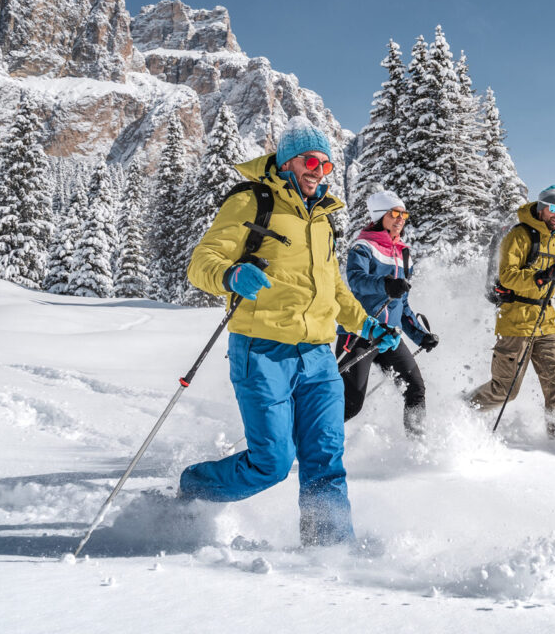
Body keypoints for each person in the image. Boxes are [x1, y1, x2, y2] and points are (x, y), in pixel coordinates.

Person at [178, 116, 400, 547]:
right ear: (286, 163)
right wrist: (230, 274)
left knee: (325, 460)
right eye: (310, 161)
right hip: (262, 350)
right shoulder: (252, 203)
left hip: (318, 356)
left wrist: (369, 325)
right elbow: (200, 263)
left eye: (325, 164)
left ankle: (329, 550)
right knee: (272, 463)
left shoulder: (323, 220)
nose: (318, 171)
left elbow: (335, 290)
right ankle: (195, 487)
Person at [468, 185, 555, 438]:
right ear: (540, 207)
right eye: (553, 208)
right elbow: (507, 276)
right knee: (505, 390)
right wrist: (541, 277)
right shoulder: (519, 235)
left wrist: (550, 276)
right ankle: (461, 412)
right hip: (516, 320)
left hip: (545, 320)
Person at [335, 190, 438, 437]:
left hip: (389, 337)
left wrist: (420, 335)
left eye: (403, 213)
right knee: (351, 404)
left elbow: (401, 304)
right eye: (394, 213)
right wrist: (384, 284)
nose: (400, 218)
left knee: (416, 388)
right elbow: (357, 280)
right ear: (380, 216)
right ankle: (307, 439)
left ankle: (418, 444)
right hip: (360, 334)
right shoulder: (363, 246)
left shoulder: (402, 253)